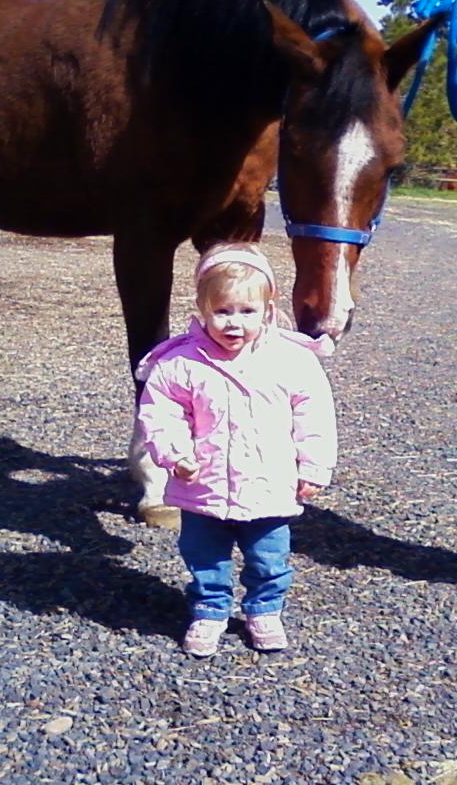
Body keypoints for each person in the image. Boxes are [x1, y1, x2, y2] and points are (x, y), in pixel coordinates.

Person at [136, 242, 337, 657]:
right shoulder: (180, 363)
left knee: (269, 557)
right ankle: (210, 608)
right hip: (203, 486)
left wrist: (313, 467)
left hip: (269, 484)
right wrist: (175, 453)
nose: (233, 323)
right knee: (204, 555)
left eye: (246, 312)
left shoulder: (291, 360)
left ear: (268, 309)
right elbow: (159, 413)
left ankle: (264, 608)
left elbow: (314, 417)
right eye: (222, 311)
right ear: (202, 308)